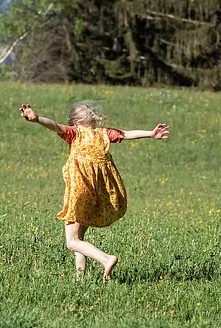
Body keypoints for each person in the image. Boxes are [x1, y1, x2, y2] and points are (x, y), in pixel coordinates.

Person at [20, 100, 169, 281]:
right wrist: (151, 134)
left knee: (72, 242)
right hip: (97, 194)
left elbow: (54, 125)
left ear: (74, 121)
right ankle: (80, 279)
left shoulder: (74, 134)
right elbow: (127, 133)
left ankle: (106, 259)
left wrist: (36, 120)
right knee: (80, 238)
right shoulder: (104, 134)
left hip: (80, 193)